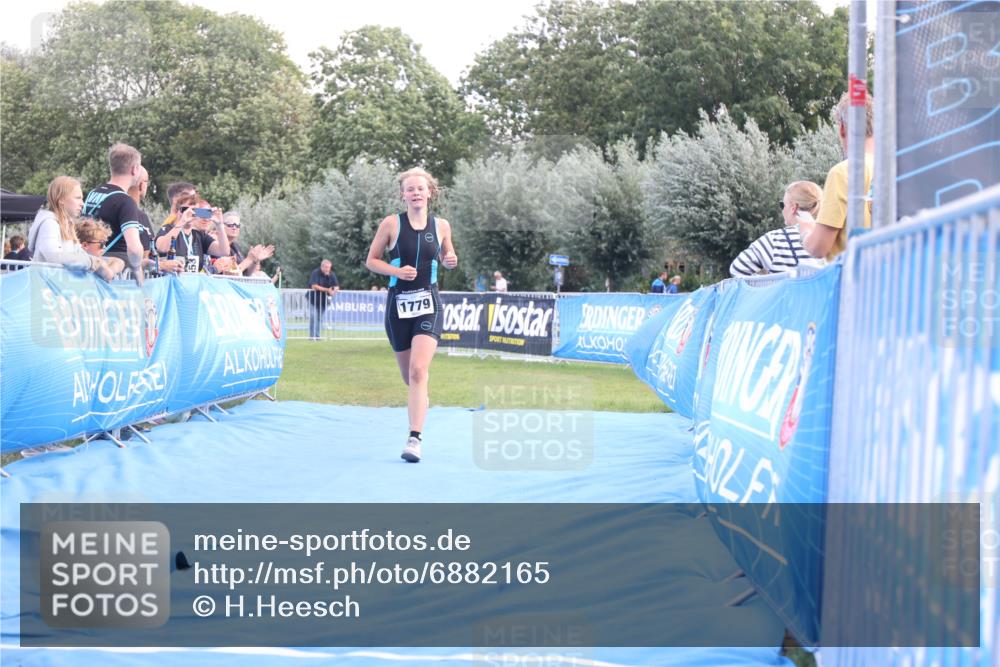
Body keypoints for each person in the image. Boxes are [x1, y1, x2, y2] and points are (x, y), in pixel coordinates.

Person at [365, 167, 458, 463]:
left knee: (419, 371)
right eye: (410, 189)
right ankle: (421, 404)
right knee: (410, 378)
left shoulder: (441, 226)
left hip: (429, 303)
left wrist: (451, 260)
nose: (416, 193)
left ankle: (414, 439)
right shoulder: (391, 224)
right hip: (398, 307)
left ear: (430, 192)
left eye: (421, 188)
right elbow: (371, 261)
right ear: (403, 194)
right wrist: (396, 271)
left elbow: (447, 258)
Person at [803, 91, 875, 261]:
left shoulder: (844, 172)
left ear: (843, 128)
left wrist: (805, 232)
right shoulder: (896, 169)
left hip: (852, 281)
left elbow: (819, 247)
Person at [27, 176, 123, 281]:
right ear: (61, 200)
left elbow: (79, 255)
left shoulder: (67, 225)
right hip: (45, 289)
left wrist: (105, 265)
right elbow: (54, 257)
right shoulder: (49, 223)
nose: (82, 203)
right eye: (78, 198)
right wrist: (93, 263)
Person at [730, 181, 827, 277]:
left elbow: (737, 269)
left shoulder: (775, 240)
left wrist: (766, 282)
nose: (782, 210)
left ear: (794, 208)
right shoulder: (832, 238)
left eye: (782, 205)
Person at [82, 143, 147, 285]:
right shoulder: (125, 201)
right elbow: (134, 248)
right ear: (135, 169)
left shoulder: (93, 193)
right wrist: (137, 269)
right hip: (115, 271)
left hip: (90, 261)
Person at [153, 193, 230, 272]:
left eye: (194, 211)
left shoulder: (198, 235)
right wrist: (182, 222)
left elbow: (224, 251)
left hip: (192, 282)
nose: (190, 213)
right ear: (178, 211)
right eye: (186, 210)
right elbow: (162, 248)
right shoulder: (168, 228)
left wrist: (220, 225)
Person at [308, 259, 339, 340]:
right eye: (326, 267)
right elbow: (314, 286)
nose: (327, 269)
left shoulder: (332, 274)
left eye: (329, 267)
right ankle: (312, 337)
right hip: (313, 299)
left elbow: (336, 286)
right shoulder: (315, 273)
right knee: (313, 316)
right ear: (322, 267)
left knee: (319, 318)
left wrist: (334, 290)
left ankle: (317, 336)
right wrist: (327, 290)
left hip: (323, 300)